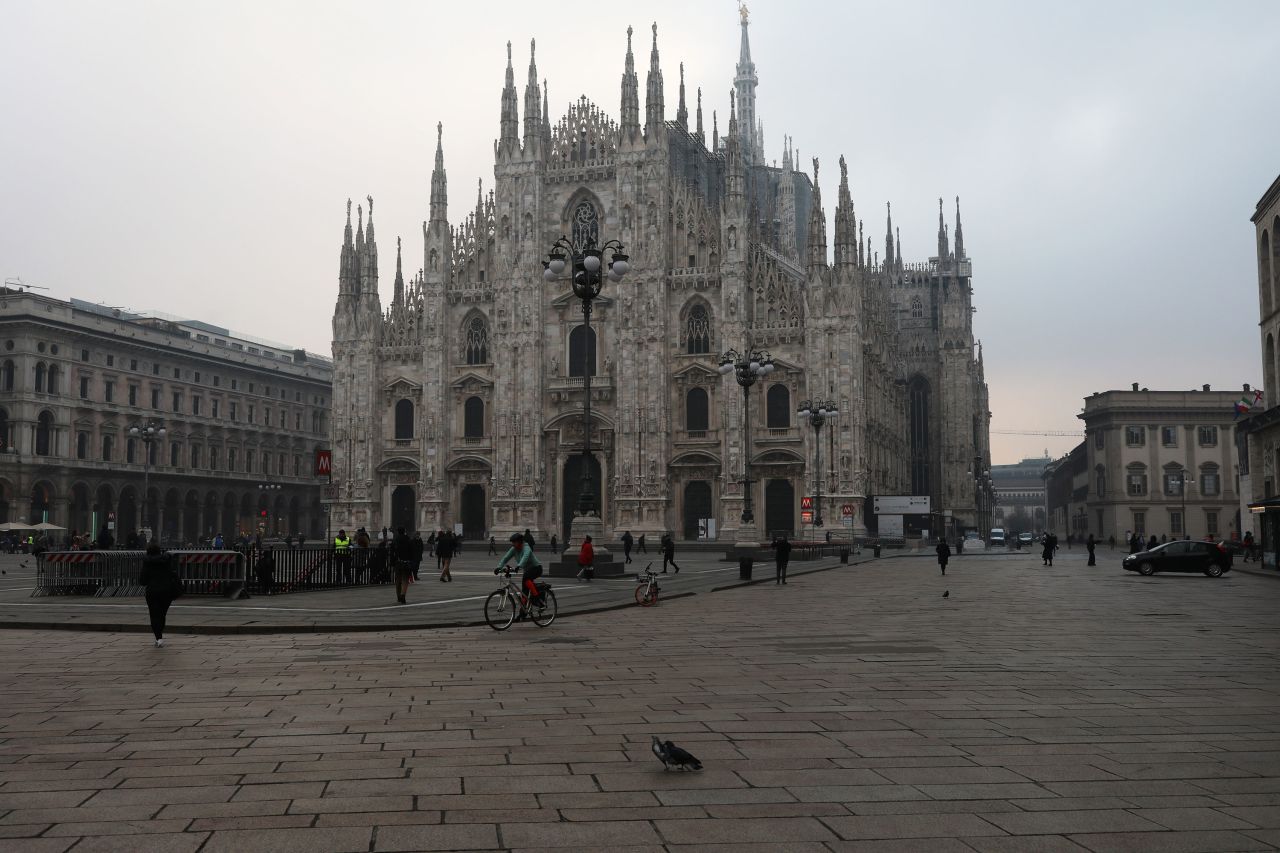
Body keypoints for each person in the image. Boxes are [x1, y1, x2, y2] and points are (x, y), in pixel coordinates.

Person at [139, 542, 178, 648]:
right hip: (166, 591)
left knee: (154, 614)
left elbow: (142, 581)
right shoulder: (166, 561)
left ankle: (158, 637)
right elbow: (172, 574)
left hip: (152, 591)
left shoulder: (147, 563)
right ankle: (159, 634)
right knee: (162, 614)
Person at [494, 532, 544, 611]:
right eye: (512, 542)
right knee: (524, 593)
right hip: (528, 570)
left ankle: (537, 599)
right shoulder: (514, 549)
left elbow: (525, 557)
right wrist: (498, 567)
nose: (513, 544)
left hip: (536, 568)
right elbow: (505, 558)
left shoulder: (526, 547)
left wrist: (519, 566)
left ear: (520, 541)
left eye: (514, 542)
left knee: (526, 578)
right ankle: (522, 614)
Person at [393, 527, 414, 604]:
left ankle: (398, 597)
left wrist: (392, 562)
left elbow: (392, 551)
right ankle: (403, 595)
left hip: (398, 562)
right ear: (405, 531)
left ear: (398, 532)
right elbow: (412, 551)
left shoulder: (395, 540)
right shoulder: (408, 539)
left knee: (398, 580)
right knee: (405, 580)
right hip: (407, 562)